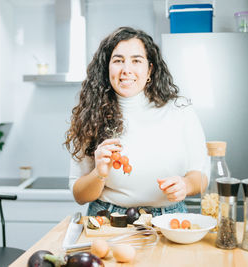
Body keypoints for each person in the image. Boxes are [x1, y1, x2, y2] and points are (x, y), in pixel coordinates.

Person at [64, 27, 207, 217]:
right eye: (118, 61)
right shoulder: (91, 115)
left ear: (150, 69)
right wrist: (99, 173)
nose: (126, 70)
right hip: (109, 219)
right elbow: (79, 195)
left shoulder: (180, 109)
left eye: (136, 60)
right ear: (107, 68)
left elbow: (202, 175)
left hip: (169, 219)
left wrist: (187, 185)